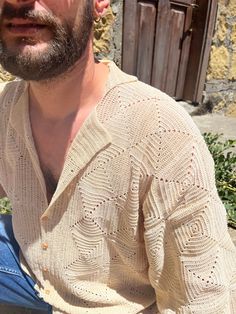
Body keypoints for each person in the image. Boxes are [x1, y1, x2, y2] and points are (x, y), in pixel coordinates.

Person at [0, 0, 235, 313]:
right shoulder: (8, 104)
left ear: (98, 4)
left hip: (113, 303)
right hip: (32, 272)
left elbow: (203, 298)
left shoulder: (163, 134)